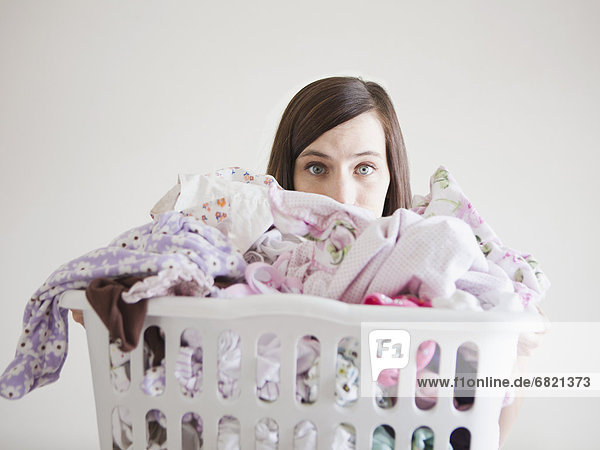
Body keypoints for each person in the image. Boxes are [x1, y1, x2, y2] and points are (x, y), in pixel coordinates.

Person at [266, 75, 548, 448]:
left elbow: (485, 433)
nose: (343, 196)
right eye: (317, 168)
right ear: (288, 176)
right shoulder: (262, 256)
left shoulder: (430, 243)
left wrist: (518, 347)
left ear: (389, 172)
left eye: (363, 168)